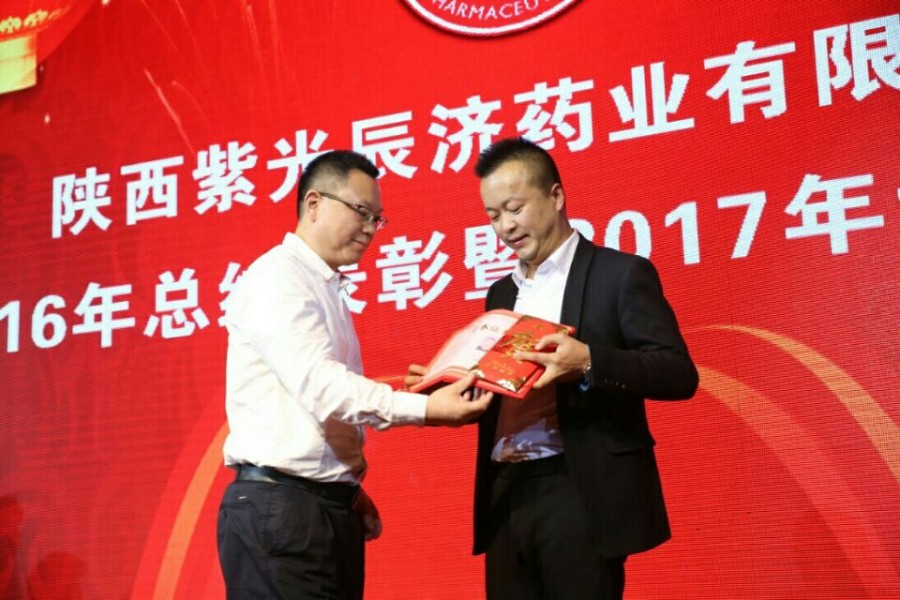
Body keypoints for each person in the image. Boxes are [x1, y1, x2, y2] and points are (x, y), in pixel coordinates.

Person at [409, 137, 699, 599]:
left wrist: (588, 361)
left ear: (556, 196)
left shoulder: (619, 274)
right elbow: (506, 384)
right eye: (493, 216)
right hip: (505, 490)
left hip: (578, 488)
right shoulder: (501, 293)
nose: (505, 226)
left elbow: (678, 373)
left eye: (515, 208)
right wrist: (450, 384)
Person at [217, 149, 493, 600]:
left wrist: (341, 482)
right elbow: (324, 388)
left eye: (377, 219)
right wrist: (426, 409)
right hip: (282, 511)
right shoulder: (278, 280)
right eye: (361, 212)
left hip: (315, 506)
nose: (370, 229)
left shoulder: (322, 284)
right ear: (313, 204)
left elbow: (311, 406)